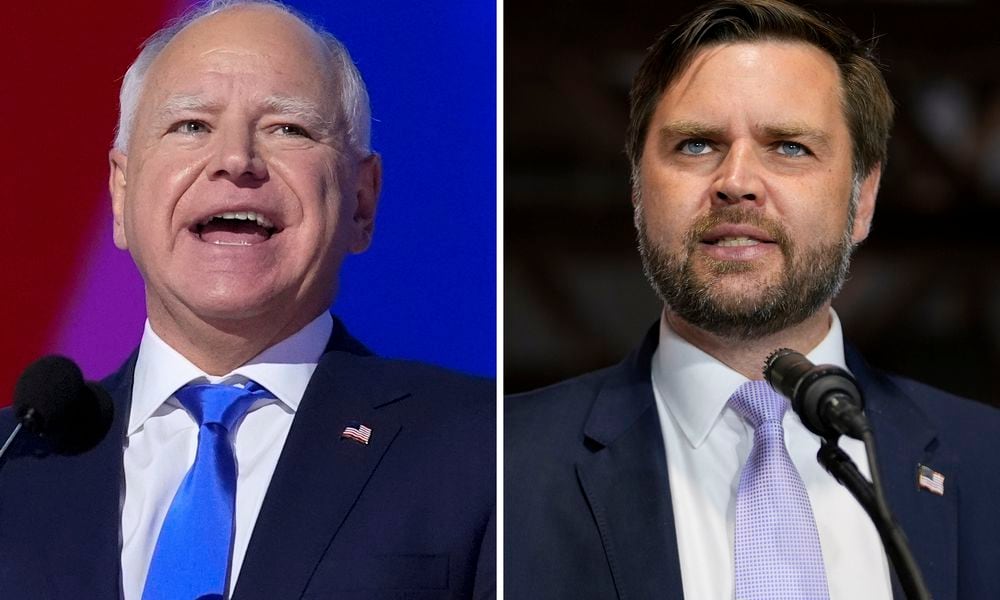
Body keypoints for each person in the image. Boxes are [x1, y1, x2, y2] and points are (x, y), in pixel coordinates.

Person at [505, 1, 1000, 598]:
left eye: (789, 146)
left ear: (862, 198)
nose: (736, 181)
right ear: (638, 188)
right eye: (695, 144)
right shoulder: (501, 466)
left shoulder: (987, 463)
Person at [0, 2, 494, 599]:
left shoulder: (481, 449)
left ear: (362, 202)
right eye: (192, 127)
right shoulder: (16, 462)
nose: (236, 161)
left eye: (288, 129)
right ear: (121, 194)